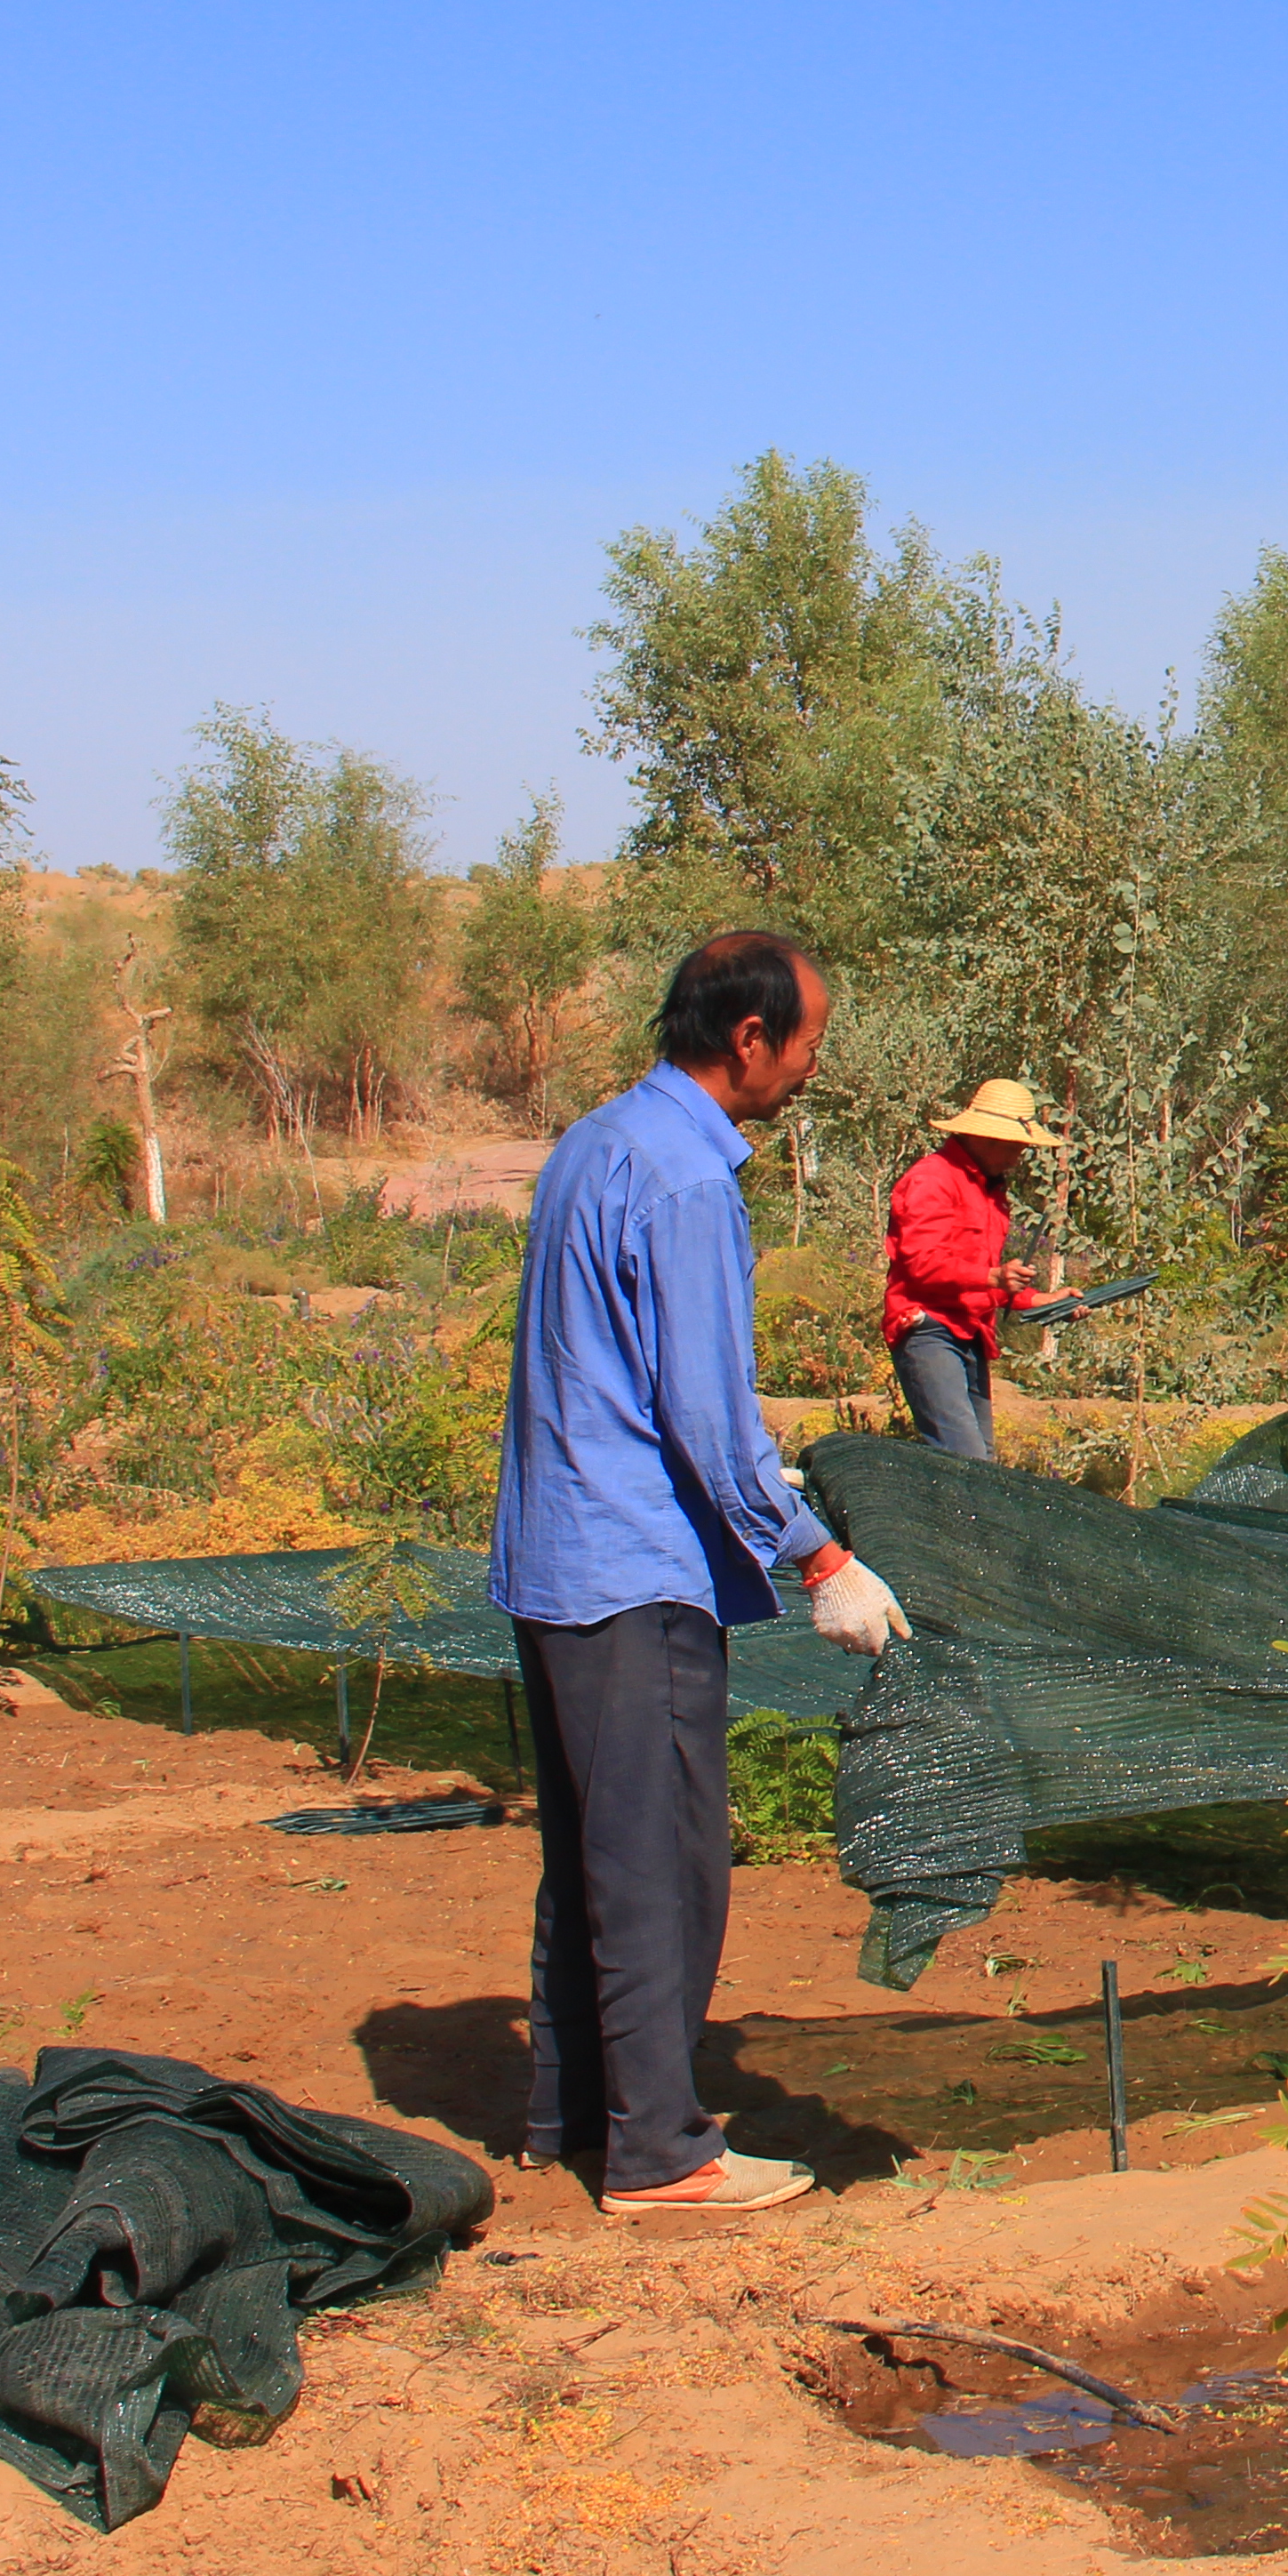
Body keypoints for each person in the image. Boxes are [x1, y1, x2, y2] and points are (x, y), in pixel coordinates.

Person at [490, 932, 911, 2217]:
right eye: (809, 1041)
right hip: (633, 1574)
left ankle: (573, 2117)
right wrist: (821, 1556)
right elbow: (708, 1420)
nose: (813, 1064)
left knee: (594, 1857)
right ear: (748, 1040)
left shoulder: (595, 1144)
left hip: (559, 1560)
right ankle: (665, 2154)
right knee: (665, 1864)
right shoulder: (683, 1180)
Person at [882, 1077, 1063, 1459]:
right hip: (928, 1330)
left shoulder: (991, 1192)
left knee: (982, 1462)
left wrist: (1044, 1301)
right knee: (966, 1459)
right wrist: (994, 1276)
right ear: (987, 1137)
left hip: (971, 1332)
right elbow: (921, 1264)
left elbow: (984, 1281)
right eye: (1016, 1146)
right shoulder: (932, 1180)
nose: (1020, 1156)